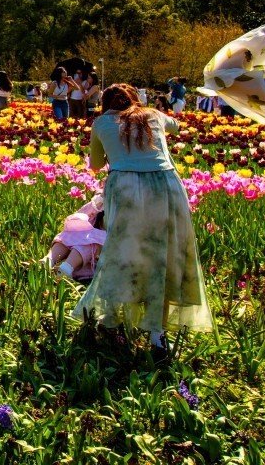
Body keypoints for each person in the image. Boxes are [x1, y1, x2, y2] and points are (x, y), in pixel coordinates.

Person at [73, 84, 213, 357]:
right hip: (165, 185)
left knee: (122, 252)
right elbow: (177, 126)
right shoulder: (153, 115)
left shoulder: (101, 123)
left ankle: (109, 318)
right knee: (163, 255)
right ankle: (157, 335)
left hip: (125, 185)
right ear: (134, 101)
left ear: (104, 104)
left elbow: (96, 165)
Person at [44, 193, 106, 281]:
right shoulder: (100, 203)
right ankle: (49, 260)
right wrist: (96, 204)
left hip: (93, 245)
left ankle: (63, 266)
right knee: (67, 238)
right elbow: (80, 215)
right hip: (83, 236)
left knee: (88, 242)